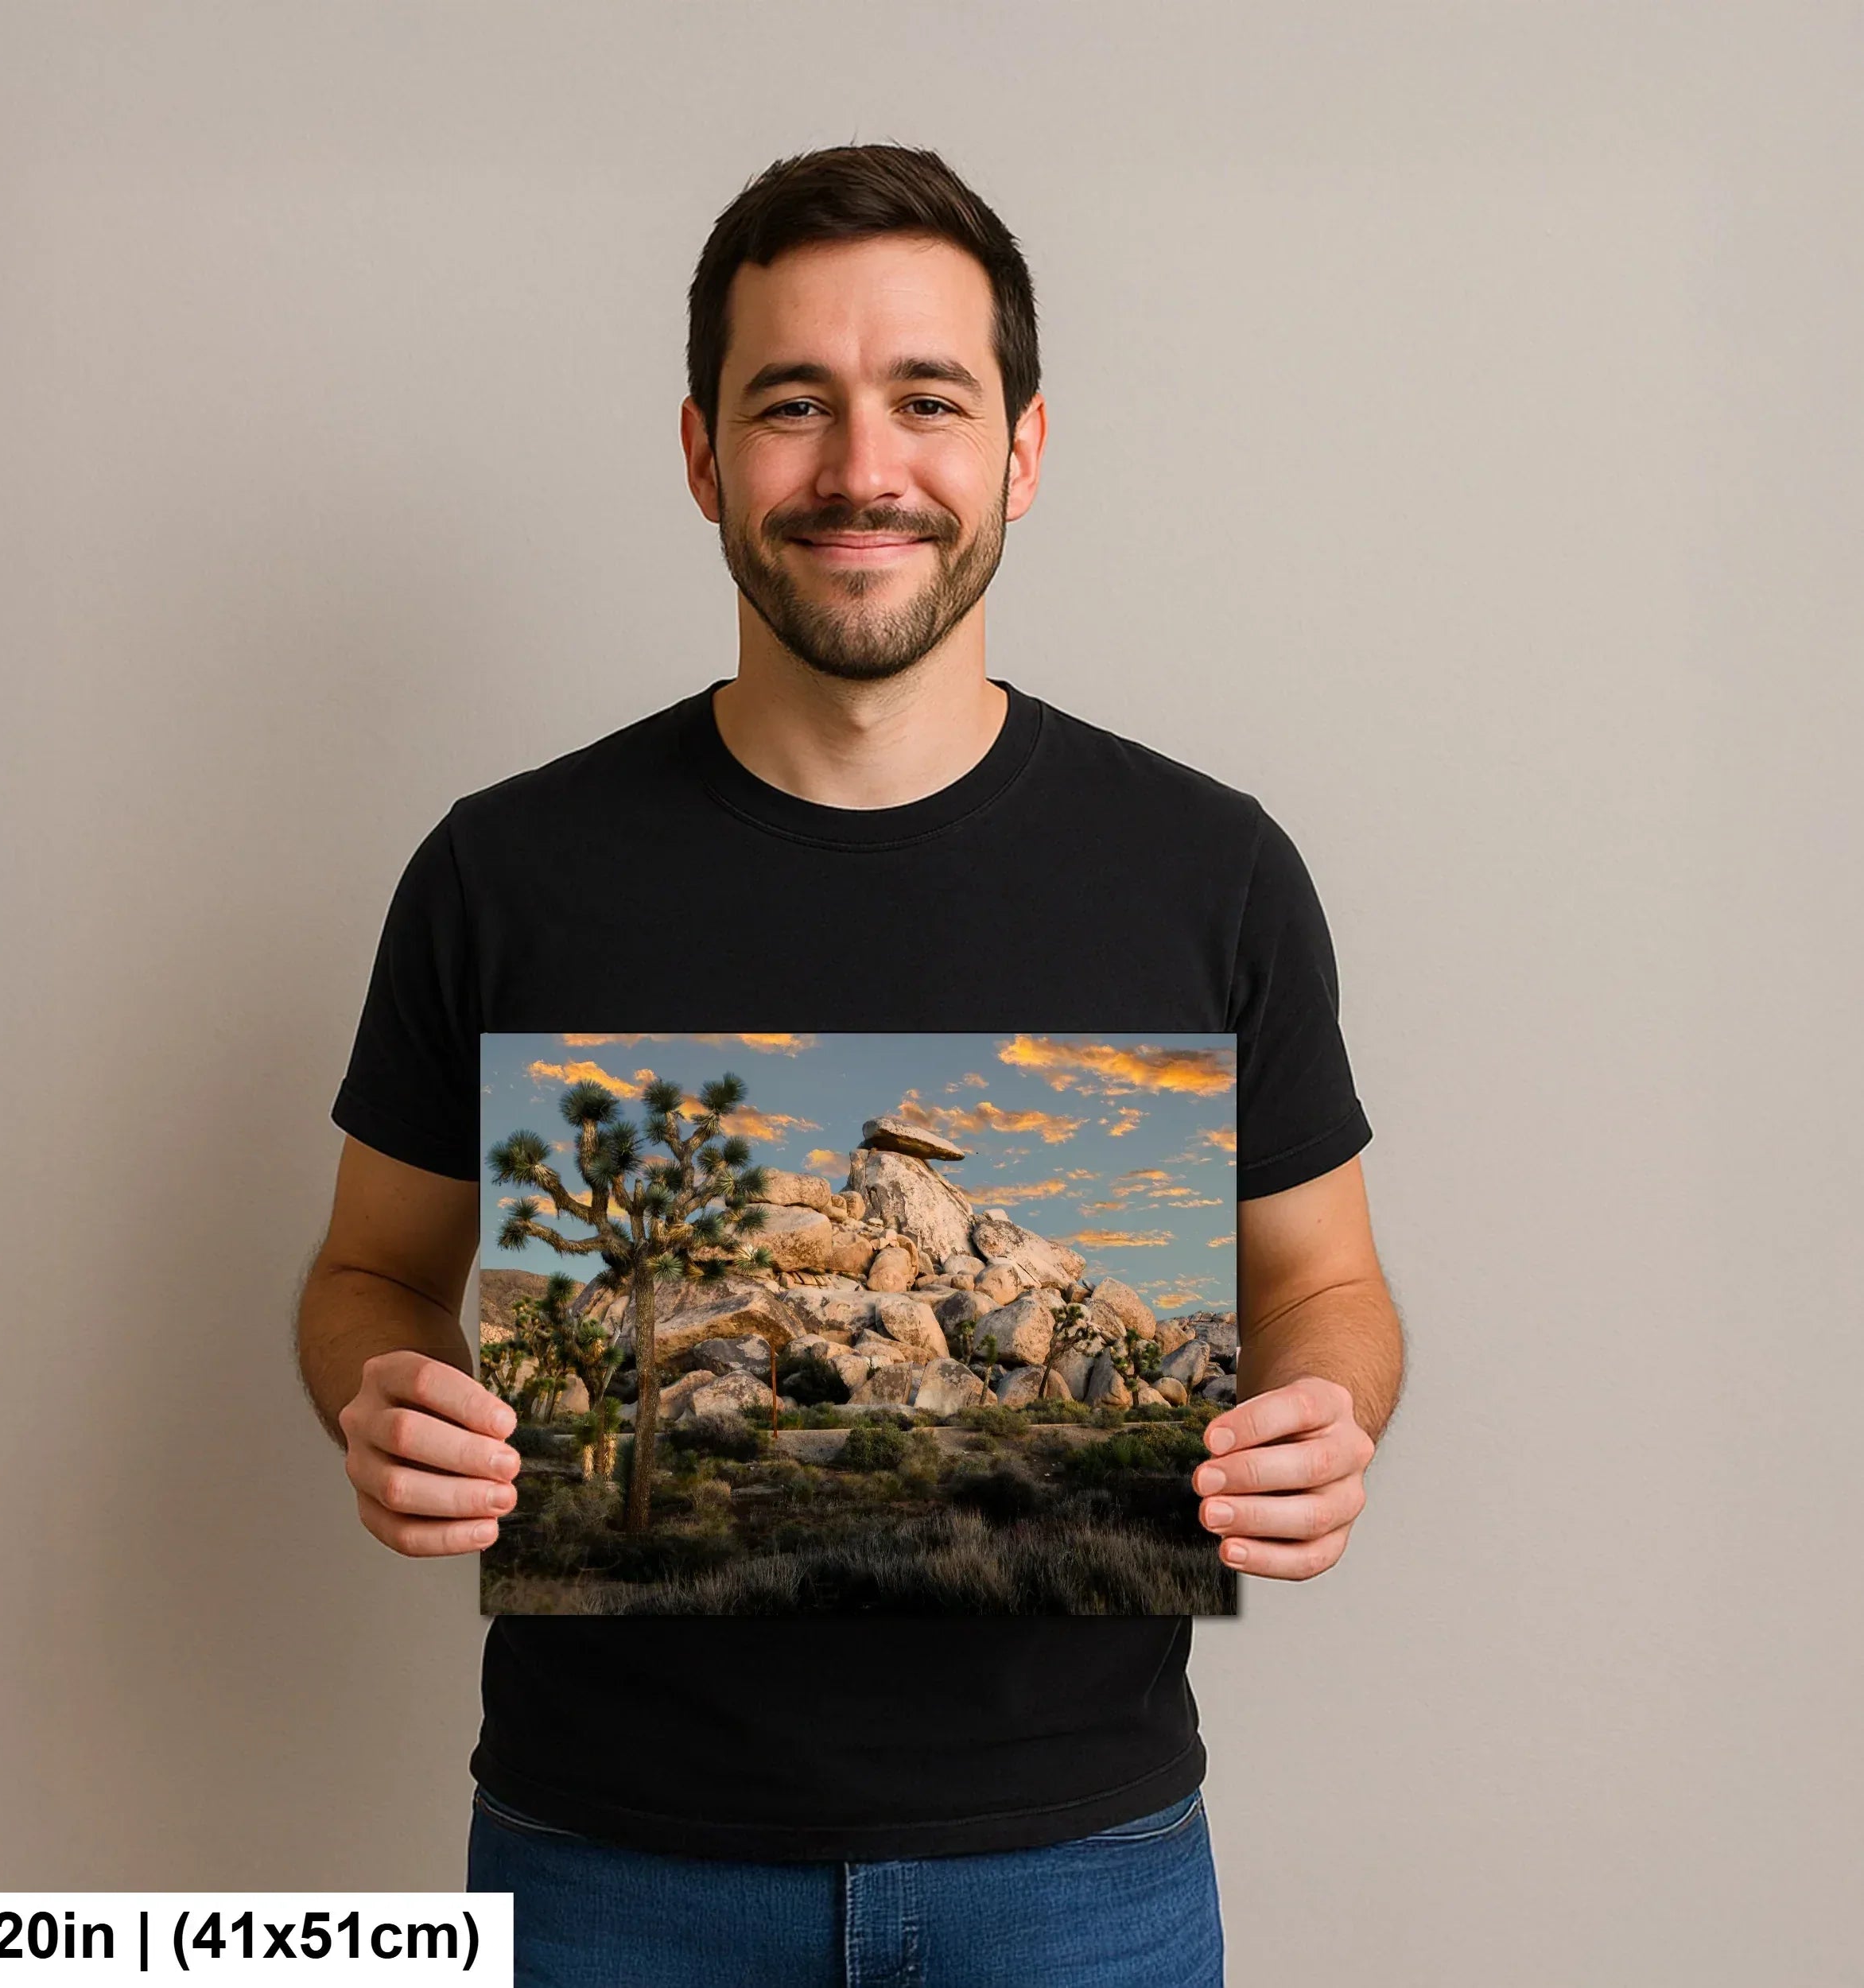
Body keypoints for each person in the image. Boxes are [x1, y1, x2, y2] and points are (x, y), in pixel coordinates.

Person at [297, 142, 1404, 1988]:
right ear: (700, 453)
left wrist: (1325, 1417)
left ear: (1021, 452)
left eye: (926, 401)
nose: (860, 467)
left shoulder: (1208, 868)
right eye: (790, 404)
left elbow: (1330, 1286)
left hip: (1081, 1865)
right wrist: (386, 1393)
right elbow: (364, 1271)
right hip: (606, 1867)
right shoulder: (507, 869)